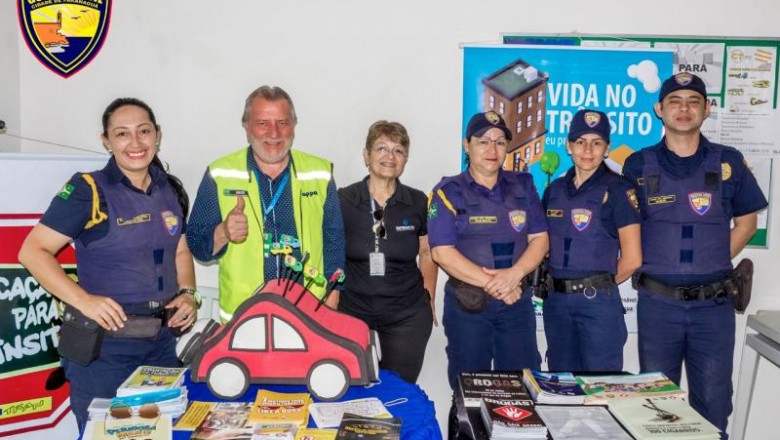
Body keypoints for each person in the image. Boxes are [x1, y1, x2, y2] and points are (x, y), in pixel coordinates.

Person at [17, 97, 198, 430]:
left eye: (143, 131)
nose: (135, 142)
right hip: (105, 349)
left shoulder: (169, 189)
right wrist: (83, 300)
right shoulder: (88, 190)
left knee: (160, 432)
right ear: (106, 141)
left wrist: (188, 293)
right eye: (122, 134)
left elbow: (180, 252)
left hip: (161, 344)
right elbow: (33, 251)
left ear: (157, 134)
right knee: (104, 435)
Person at [622, 72, 768, 436]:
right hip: (658, 305)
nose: (684, 109)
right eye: (675, 101)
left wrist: (711, 263)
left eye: (693, 102)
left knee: (714, 402)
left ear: (707, 109)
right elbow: (627, 231)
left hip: (713, 308)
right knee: (655, 405)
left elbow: (747, 225)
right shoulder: (637, 165)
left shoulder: (728, 161)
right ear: (660, 109)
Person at [187, 86, 345, 322]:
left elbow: (334, 240)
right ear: (246, 126)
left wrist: (331, 303)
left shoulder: (320, 173)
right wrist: (224, 232)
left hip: (309, 316)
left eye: (283, 122)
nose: (274, 133)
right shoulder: (220, 173)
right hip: (244, 319)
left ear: (294, 124)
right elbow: (197, 244)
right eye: (262, 123)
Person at [428, 111, 548, 389]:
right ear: (466, 145)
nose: (492, 149)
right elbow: (441, 252)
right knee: (470, 388)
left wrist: (514, 274)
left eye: (500, 142)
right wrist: (499, 283)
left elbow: (540, 238)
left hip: (516, 306)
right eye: (483, 141)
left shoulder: (524, 186)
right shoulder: (447, 192)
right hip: (468, 307)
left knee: (523, 387)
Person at [337, 120, 438, 383]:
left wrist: (429, 299)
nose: (389, 156)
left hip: (406, 314)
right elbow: (331, 253)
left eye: (398, 150)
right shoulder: (343, 200)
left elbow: (427, 253)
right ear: (366, 154)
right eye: (381, 147)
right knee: (352, 388)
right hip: (352, 312)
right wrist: (329, 308)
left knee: (399, 390)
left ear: (405, 159)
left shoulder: (417, 201)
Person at [541, 108, 641, 372]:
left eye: (596, 143)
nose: (588, 150)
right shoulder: (554, 191)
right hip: (557, 303)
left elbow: (632, 259)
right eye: (580, 142)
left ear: (607, 148)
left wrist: (594, 286)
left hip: (597, 303)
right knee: (561, 383)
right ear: (568, 146)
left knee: (602, 385)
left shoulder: (619, 189)